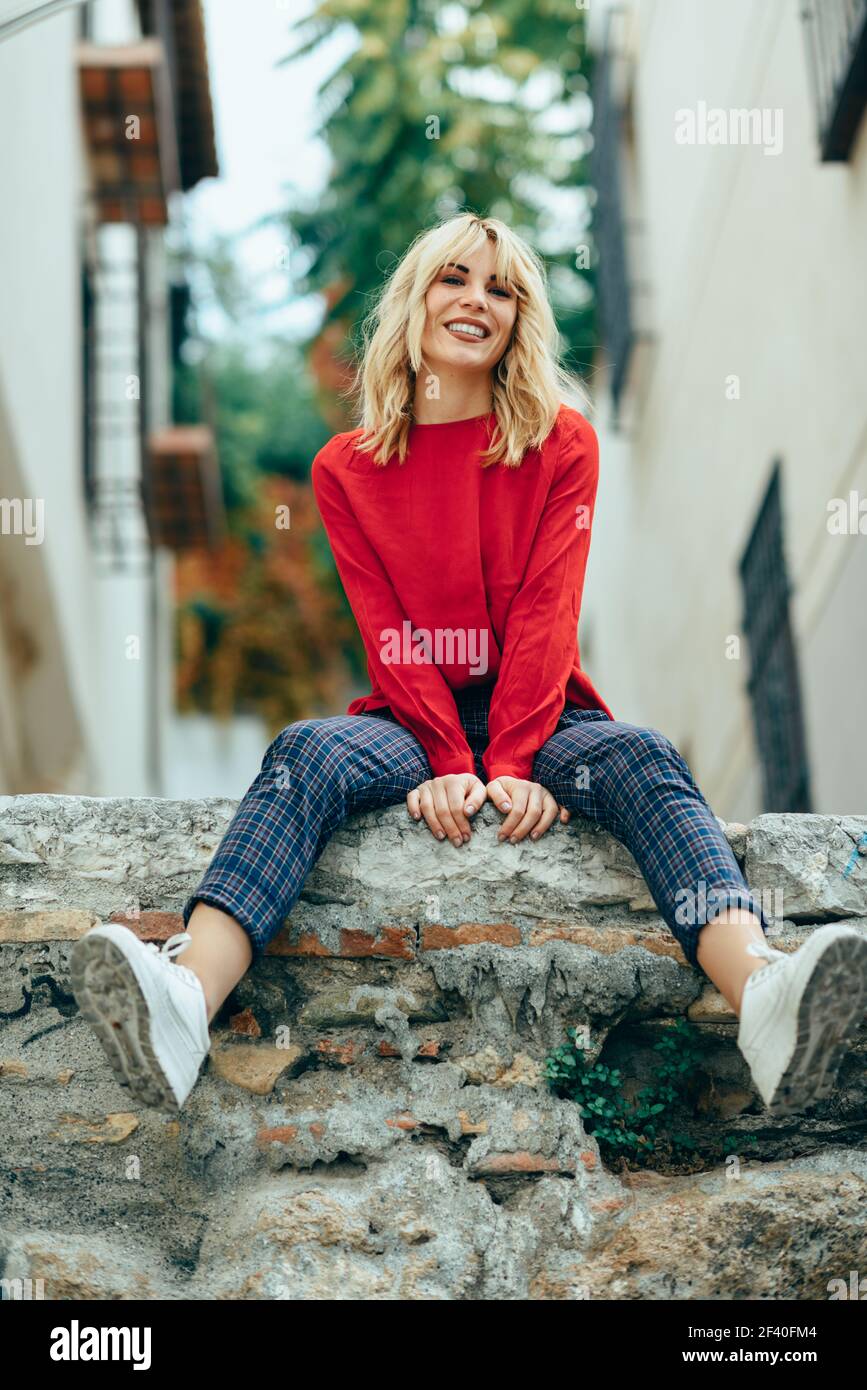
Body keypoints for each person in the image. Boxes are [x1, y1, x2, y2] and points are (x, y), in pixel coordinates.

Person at [70, 213, 867, 1121]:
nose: (477, 301)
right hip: (410, 719)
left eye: (502, 289)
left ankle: (761, 988)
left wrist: (515, 761)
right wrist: (449, 759)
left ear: (517, 323)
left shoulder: (561, 444)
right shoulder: (347, 468)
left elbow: (545, 616)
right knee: (306, 752)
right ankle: (185, 1001)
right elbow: (387, 630)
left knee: (643, 756)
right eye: (455, 279)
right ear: (416, 301)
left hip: (545, 712)